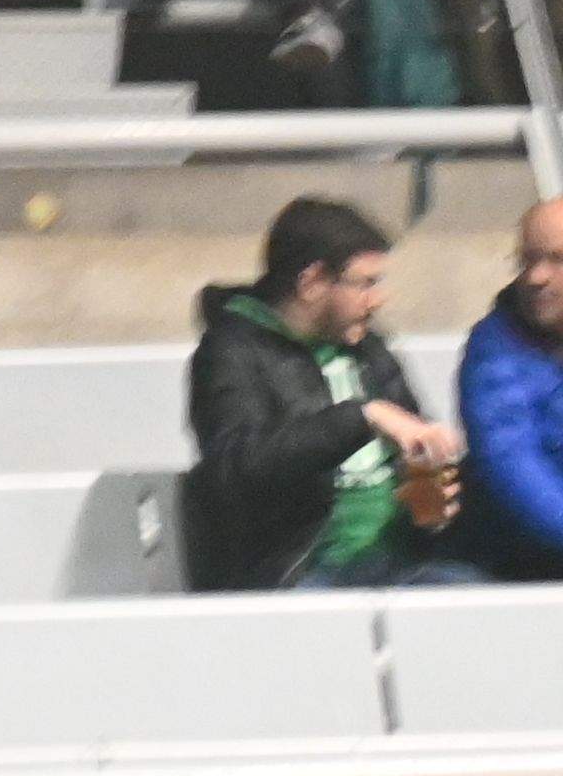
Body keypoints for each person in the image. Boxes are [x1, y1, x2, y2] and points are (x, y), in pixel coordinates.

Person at [184, 194, 473, 590]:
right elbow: (239, 467)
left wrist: (429, 496)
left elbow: (412, 440)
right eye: (365, 284)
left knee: (475, 600)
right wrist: (362, 416)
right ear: (313, 282)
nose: (378, 299)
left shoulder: (368, 347)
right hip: (300, 571)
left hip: (396, 561)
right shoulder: (233, 352)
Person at [456, 202, 563, 583]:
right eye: (527, 260)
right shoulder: (496, 349)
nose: (536, 277)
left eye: (556, 260)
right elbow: (512, 463)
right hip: (518, 569)